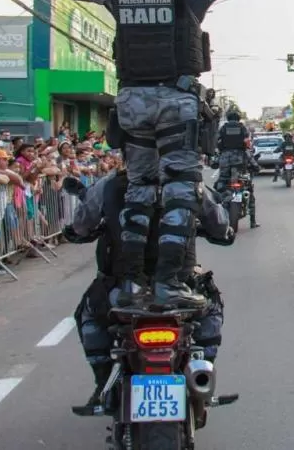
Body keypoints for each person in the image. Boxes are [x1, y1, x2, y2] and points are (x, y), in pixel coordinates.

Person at [33, 0, 261, 309]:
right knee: (178, 189)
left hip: (132, 102)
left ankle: (129, 284)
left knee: (139, 187)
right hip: (177, 101)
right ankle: (169, 283)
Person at [62, 164, 234, 414]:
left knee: (89, 315)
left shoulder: (110, 184)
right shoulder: (190, 183)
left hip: (122, 290)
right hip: (181, 289)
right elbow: (220, 226)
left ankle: (102, 384)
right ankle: (204, 374)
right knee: (212, 308)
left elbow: (80, 226)